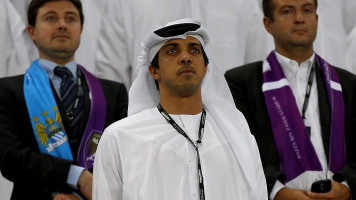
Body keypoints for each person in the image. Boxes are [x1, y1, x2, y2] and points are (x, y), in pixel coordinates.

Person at [93, 18, 268, 200]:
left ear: (206, 67)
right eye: (172, 51)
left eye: (194, 49)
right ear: (154, 71)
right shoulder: (120, 138)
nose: (185, 57)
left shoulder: (238, 137)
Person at [225, 0, 356, 199]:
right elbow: (238, 151)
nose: (300, 18)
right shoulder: (242, 83)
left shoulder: (346, 83)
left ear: (317, 19)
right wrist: (277, 192)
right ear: (269, 25)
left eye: (307, 10)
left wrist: (346, 186)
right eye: (288, 11)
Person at [0, 0, 128, 199]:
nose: (62, 24)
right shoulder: (8, 90)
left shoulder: (113, 93)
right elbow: (10, 159)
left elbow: (121, 160)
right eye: (51, 18)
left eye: (70, 18)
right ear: (32, 32)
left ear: (81, 29)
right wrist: (77, 177)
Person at [93, 0, 271, 89]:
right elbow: (110, 78)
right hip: (150, 136)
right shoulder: (127, 3)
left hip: (228, 135)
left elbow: (259, 72)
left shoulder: (245, 3)